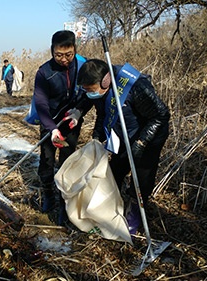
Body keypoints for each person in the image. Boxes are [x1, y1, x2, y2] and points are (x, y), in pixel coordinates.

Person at [76, 59, 170, 234]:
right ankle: (110, 205)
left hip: (149, 135)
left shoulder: (136, 86)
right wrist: (97, 136)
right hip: (122, 134)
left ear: (105, 81)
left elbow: (161, 115)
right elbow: (103, 114)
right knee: (115, 170)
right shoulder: (102, 91)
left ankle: (135, 209)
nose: (89, 94)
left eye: (90, 89)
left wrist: (141, 143)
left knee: (141, 176)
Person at [32, 30, 88, 225]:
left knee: (67, 162)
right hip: (50, 122)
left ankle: (65, 202)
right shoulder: (44, 72)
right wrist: (51, 128)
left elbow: (90, 92)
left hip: (71, 121)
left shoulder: (82, 66)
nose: (64, 60)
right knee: (47, 160)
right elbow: (40, 104)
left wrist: (79, 111)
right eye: (58, 55)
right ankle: (48, 194)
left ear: (75, 50)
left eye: (68, 55)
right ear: (52, 51)